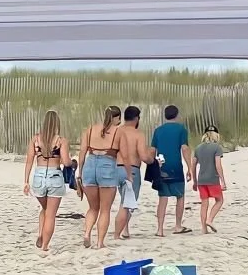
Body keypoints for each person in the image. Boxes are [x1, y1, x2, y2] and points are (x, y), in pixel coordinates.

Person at [21, 109, 71, 252]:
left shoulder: (35, 139)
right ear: (57, 123)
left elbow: (29, 161)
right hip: (54, 176)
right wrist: (70, 161)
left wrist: (26, 181)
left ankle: (41, 233)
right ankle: (45, 246)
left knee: (44, 208)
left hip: (38, 177)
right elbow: (66, 162)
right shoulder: (61, 141)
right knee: (50, 214)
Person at [78, 105, 125, 247]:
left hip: (90, 165)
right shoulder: (118, 132)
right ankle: (100, 242)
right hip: (107, 165)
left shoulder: (91, 129)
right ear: (116, 118)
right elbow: (124, 154)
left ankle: (87, 233)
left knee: (93, 207)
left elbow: (81, 152)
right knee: (105, 209)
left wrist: (80, 173)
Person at [149, 104, 192, 235]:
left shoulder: (158, 130)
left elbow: (152, 150)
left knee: (163, 198)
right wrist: (190, 167)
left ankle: (160, 229)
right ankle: (178, 226)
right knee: (180, 196)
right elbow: (184, 148)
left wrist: (152, 167)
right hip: (176, 167)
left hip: (162, 166)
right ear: (177, 115)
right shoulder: (181, 129)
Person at [114, 105, 148, 239]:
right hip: (132, 169)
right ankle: (118, 233)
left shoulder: (117, 131)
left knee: (123, 200)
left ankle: (125, 229)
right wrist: (152, 159)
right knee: (126, 204)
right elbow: (144, 156)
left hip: (116, 169)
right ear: (136, 118)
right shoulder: (138, 134)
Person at [192, 124, 227, 232]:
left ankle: (204, 229)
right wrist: (223, 180)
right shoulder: (217, 147)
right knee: (219, 200)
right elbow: (218, 165)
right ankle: (210, 220)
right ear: (216, 135)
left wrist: (195, 181)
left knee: (204, 203)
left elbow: (193, 166)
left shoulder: (198, 148)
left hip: (201, 180)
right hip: (212, 179)